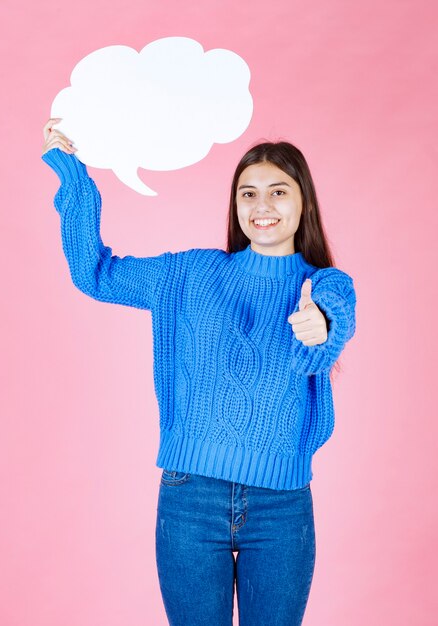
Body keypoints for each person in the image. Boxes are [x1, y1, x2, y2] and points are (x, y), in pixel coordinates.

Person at [41, 117, 357, 626]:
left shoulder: (324, 285)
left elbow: (334, 317)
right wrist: (73, 179)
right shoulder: (190, 273)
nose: (262, 206)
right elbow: (94, 274)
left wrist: (321, 325)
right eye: (248, 193)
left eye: (278, 191)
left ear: (304, 203)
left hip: (281, 508)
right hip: (190, 500)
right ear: (235, 205)